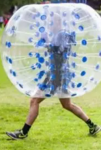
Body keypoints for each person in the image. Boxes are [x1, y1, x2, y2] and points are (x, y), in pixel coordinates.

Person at [6, 2, 101, 140]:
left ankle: (23, 132)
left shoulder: (60, 36)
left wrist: (47, 45)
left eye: (52, 21)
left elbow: (58, 52)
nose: (49, 23)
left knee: (34, 101)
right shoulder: (62, 35)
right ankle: (93, 126)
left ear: (58, 22)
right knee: (67, 105)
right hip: (61, 74)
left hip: (56, 75)